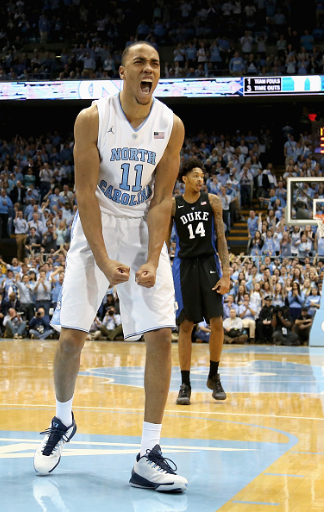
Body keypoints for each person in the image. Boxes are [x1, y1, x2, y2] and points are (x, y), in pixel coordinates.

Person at [33, 41, 188, 493]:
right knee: (70, 339)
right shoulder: (92, 119)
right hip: (95, 227)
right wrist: (101, 259)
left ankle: (148, 454)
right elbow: (84, 194)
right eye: (140, 62)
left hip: (142, 230)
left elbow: (162, 199)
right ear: (122, 71)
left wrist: (155, 257)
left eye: (155, 64)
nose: (149, 69)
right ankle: (63, 420)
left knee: (161, 334)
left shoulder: (170, 125)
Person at [168, 157, 230, 406]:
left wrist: (226, 273)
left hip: (209, 264)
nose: (200, 179)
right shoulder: (174, 205)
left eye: (202, 176)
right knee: (186, 325)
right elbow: (164, 241)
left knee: (217, 322)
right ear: (183, 178)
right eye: (195, 175)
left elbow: (222, 238)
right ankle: (185, 383)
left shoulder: (212, 201)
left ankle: (214, 376)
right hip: (184, 266)